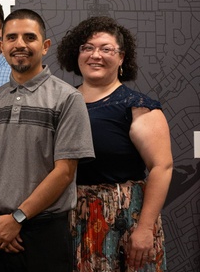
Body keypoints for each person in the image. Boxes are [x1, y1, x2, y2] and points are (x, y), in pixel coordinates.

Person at [0, 9, 94, 272]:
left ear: (45, 46)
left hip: (44, 232)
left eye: (29, 37)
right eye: (11, 38)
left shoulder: (68, 98)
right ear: (2, 46)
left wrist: (17, 218)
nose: (20, 44)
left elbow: (65, 172)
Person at [57, 17, 172, 272]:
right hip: (72, 220)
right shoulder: (60, 102)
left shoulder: (138, 107)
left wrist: (144, 229)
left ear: (121, 58)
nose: (95, 55)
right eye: (87, 47)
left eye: (106, 49)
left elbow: (161, 167)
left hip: (126, 221)